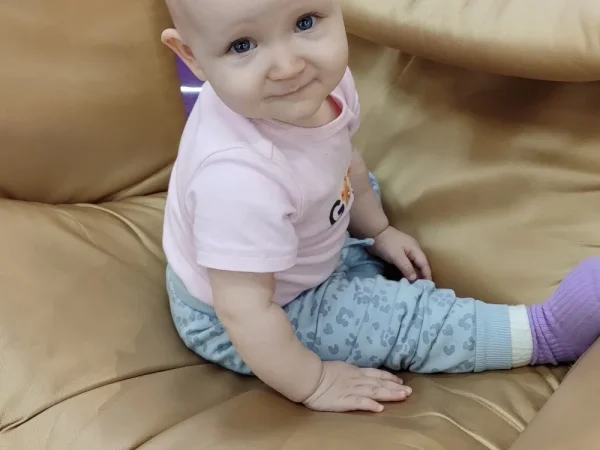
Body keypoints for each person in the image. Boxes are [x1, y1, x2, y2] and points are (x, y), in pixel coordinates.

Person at [160, 0, 600, 413]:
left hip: (297, 243)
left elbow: (342, 158)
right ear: (192, 57)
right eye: (242, 46)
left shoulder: (321, 86)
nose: (290, 66)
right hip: (247, 316)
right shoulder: (236, 180)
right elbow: (244, 311)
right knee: (397, 320)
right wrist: (314, 382)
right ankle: (541, 334)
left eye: (305, 22)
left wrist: (378, 230)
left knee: (352, 181)